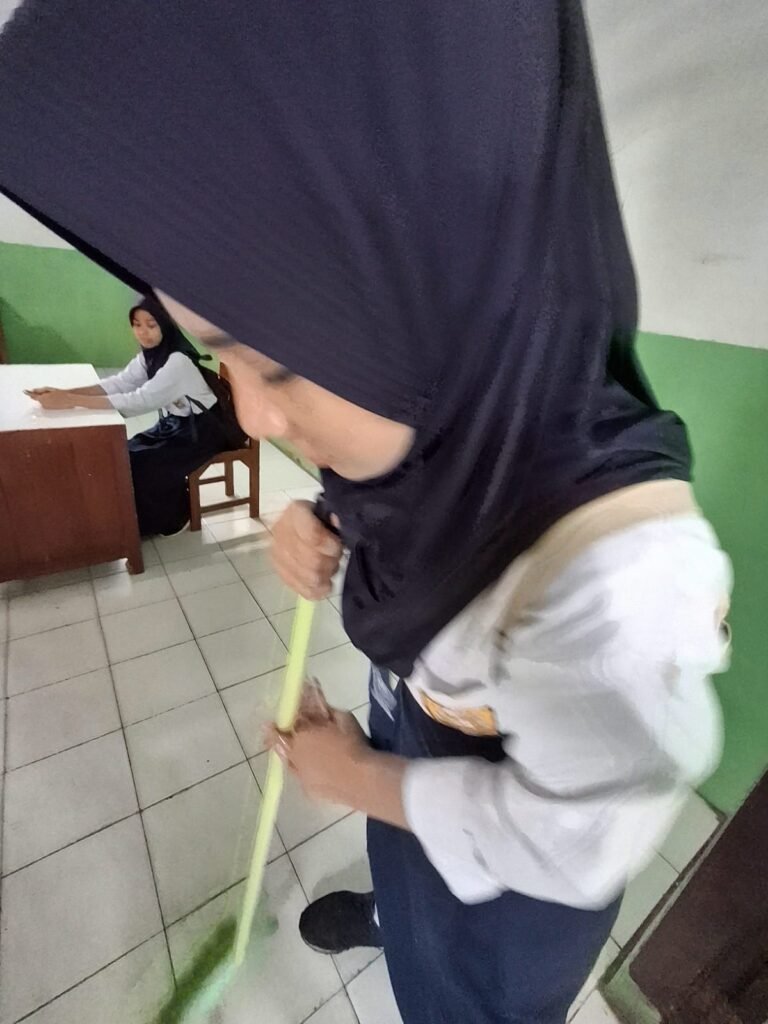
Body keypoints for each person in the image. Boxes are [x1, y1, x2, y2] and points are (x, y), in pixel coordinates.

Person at [0, 2, 732, 1021]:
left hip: (512, 892)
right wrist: (330, 520)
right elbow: (411, 494)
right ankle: (401, 910)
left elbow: (572, 843)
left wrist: (355, 779)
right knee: (412, 872)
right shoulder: (440, 416)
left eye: (279, 364)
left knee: (460, 992)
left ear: (443, 315)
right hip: (418, 742)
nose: (251, 414)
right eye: (219, 357)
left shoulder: (618, 589)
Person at [26, 296, 244, 536]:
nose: (143, 332)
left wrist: (71, 400)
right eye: (136, 324)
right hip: (179, 424)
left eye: (151, 325)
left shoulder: (178, 361)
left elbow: (139, 401)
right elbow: (120, 383)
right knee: (125, 453)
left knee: (144, 463)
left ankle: (174, 517)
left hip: (206, 430)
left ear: (166, 324)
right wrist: (64, 393)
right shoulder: (150, 355)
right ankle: (146, 517)